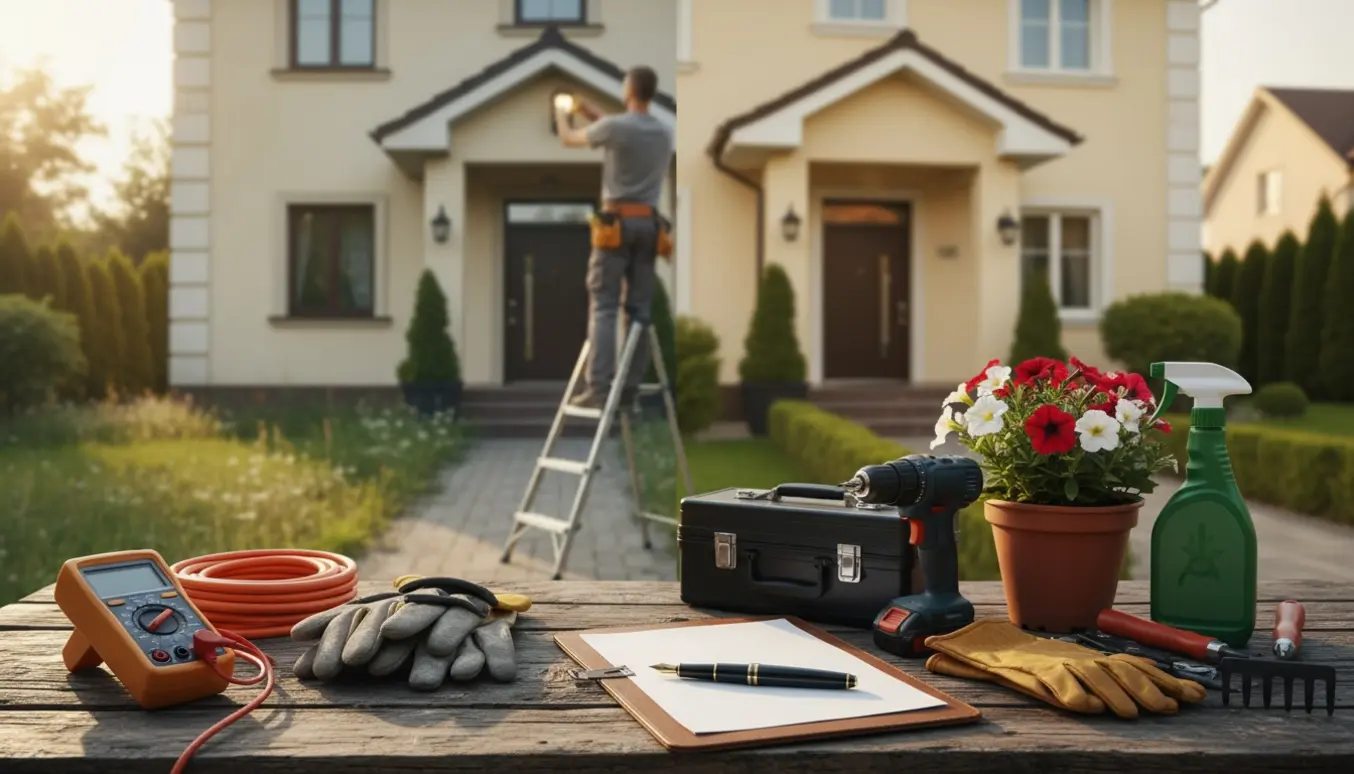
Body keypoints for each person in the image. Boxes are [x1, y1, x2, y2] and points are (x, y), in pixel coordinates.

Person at [554, 65, 674, 410]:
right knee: (639, 312)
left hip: (615, 228)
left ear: (628, 91)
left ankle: (599, 388)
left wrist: (561, 113)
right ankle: (627, 391)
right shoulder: (664, 132)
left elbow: (569, 138)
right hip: (650, 227)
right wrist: (587, 108)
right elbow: (621, 128)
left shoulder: (616, 127)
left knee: (604, 306)